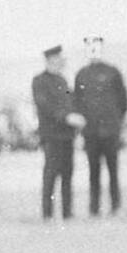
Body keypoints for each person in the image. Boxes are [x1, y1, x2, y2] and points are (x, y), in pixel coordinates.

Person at [74, 35, 127, 216]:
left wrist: (115, 121)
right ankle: (94, 208)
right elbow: (77, 101)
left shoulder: (113, 72)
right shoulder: (81, 75)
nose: (93, 50)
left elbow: (123, 101)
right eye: (89, 47)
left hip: (111, 131)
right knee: (93, 172)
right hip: (91, 132)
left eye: (96, 47)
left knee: (113, 171)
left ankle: (116, 206)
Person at [32, 45, 85, 221]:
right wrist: (67, 117)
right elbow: (45, 106)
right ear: (49, 61)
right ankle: (47, 213)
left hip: (66, 135)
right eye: (58, 60)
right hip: (51, 135)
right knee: (51, 174)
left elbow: (70, 102)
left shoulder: (62, 80)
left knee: (67, 174)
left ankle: (67, 213)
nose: (61, 63)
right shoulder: (39, 81)